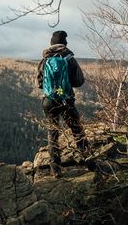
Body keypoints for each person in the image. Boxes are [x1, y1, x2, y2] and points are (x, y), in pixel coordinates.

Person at [37, 30, 89, 178]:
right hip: (66, 100)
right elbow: (78, 81)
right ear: (65, 43)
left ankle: (56, 169)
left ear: (51, 43)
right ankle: (89, 161)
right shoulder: (69, 58)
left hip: (49, 101)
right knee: (77, 130)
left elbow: (40, 83)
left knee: (52, 133)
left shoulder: (45, 59)